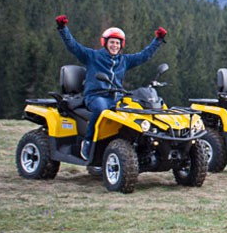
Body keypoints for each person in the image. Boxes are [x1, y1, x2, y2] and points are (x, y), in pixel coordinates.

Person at [55, 15, 166, 159]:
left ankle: (133, 145)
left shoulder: (124, 60)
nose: (115, 45)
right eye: (112, 42)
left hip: (117, 97)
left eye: (117, 43)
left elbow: (144, 56)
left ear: (121, 45)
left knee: (136, 110)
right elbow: (73, 46)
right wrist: (63, 28)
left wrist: (158, 40)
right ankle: (88, 141)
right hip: (96, 96)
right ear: (105, 43)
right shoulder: (92, 56)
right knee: (101, 109)